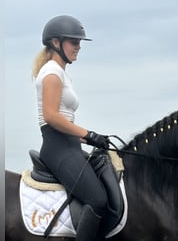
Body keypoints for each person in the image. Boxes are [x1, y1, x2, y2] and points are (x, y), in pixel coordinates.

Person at [32, 15, 109, 241]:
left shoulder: (62, 73)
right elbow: (51, 116)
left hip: (69, 145)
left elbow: (64, 120)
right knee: (97, 200)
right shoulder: (52, 73)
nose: (78, 47)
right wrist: (88, 134)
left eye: (79, 43)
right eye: (74, 42)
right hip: (58, 149)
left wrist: (92, 139)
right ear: (56, 43)